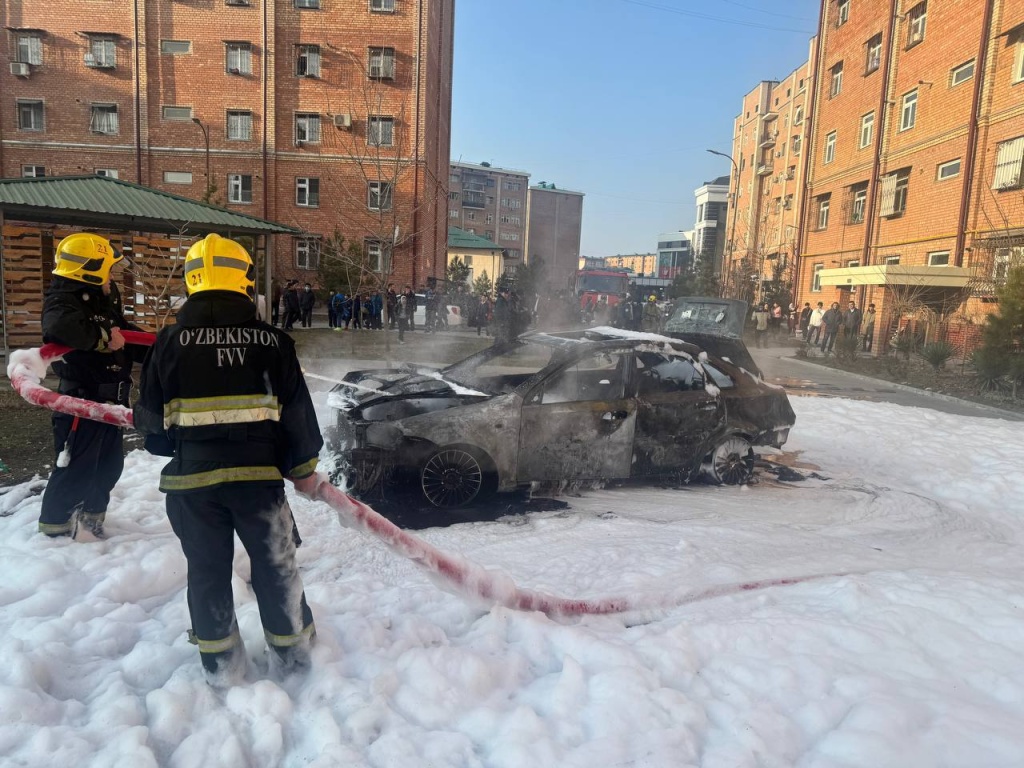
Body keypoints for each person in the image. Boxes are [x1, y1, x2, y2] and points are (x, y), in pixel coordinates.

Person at [134, 233, 321, 687]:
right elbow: (297, 414)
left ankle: (221, 670)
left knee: (208, 573)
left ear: (191, 281)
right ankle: (294, 662)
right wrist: (303, 466)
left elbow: (154, 429)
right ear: (244, 280)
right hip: (258, 484)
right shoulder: (273, 342)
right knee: (276, 568)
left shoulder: (168, 342)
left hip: (191, 488)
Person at [37, 232, 142, 538]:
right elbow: (59, 328)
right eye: (108, 269)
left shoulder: (103, 299)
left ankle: (90, 522)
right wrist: (103, 337)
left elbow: (124, 332)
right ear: (91, 269)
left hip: (111, 404)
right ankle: (55, 533)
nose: (113, 275)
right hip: (82, 404)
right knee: (75, 471)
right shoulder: (63, 300)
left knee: (108, 469)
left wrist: (162, 350)